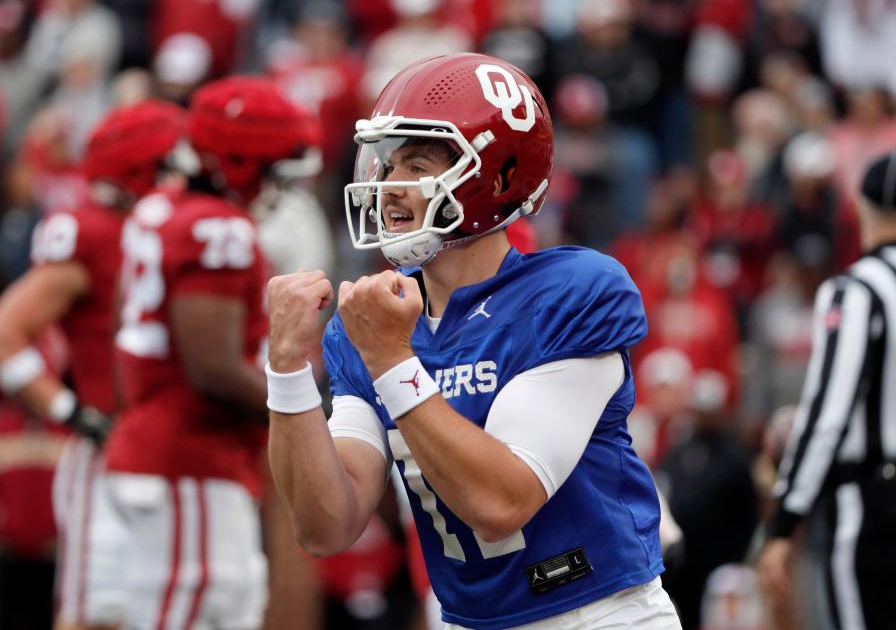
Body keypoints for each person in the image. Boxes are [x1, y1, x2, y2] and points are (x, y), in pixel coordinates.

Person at [266, 52, 682, 630]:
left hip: (596, 612)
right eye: (386, 165)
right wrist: (286, 370)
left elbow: (501, 503)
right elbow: (326, 525)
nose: (389, 187)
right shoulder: (374, 319)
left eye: (417, 163)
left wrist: (392, 359)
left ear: (500, 174)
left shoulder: (573, 291)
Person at [104, 76, 316, 630]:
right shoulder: (217, 227)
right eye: (272, 169)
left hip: (164, 452)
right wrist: (307, 409)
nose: (276, 187)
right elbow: (213, 369)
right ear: (241, 158)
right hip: (190, 460)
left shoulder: (159, 209)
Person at [0, 99, 185, 630]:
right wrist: (74, 413)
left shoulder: (189, 226)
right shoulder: (91, 232)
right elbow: (1, 337)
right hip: (110, 460)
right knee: (97, 616)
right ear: (143, 169)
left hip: (181, 455)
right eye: (170, 162)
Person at [758, 152, 896, 630]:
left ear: (860, 207)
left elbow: (827, 414)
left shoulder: (856, 292)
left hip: (874, 501)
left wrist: (784, 521)